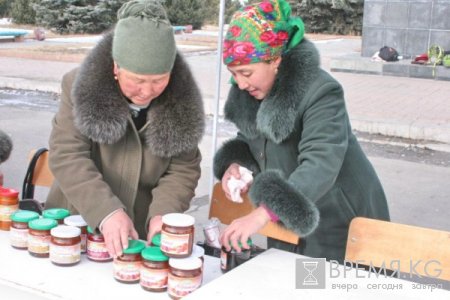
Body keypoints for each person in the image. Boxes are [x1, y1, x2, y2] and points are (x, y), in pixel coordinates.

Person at [214, 0, 389, 262]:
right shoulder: (253, 93)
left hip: (341, 221)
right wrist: (237, 164)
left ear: (275, 60)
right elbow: (251, 140)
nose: (239, 84)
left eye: (245, 72)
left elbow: (321, 162)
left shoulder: (321, 92)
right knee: (292, 282)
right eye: (233, 73)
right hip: (287, 220)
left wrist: (263, 213)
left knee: (326, 287)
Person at [45, 0, 205, 257]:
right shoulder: (79, 86)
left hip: (137, 235)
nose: (147, 91)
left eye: (159, 80)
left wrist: (163, 213)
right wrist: (106, 211)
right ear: (116, 67)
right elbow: (67, 154)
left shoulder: (182, 103)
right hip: (77, 226)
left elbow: (183, 169)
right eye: (138, 80)